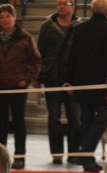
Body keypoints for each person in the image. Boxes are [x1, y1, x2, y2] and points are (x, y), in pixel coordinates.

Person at [0, 3, 40, 170]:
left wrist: (26, 80)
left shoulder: (26, 38)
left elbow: (36, 61)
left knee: (19, 122)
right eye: (2, 17)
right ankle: (1, 158)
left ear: (15, 18)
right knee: (0, 123)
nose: (5, 20)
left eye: (8, 16)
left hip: (17, 87)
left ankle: (20, 157)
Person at [65, 0, 107, 173]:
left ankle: (87, 158)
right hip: (100, 84)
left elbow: (71, 56)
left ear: (93, 9)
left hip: (81, 83)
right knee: (103, 117)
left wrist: (69, 80)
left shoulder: (80, 28)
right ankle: (84, 152)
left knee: (86, 118)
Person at [37, 0, 79, 164]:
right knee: (53, 118)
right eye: (59, 3)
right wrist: (38, 77)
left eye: (65, 3)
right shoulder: (46, 27)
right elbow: (39, 53)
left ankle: (75, 153)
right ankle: (56, 153)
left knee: (75, 118)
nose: (61, 6)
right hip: (52, 78)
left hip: (73, 79)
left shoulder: (80, 27)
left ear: (73, 7)